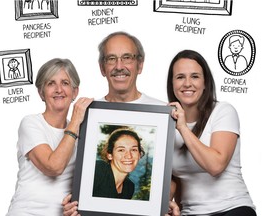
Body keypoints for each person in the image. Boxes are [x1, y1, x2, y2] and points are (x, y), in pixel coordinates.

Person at [62, 31, 180, 216]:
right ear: (102, 68)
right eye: (111, 59)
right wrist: (75, 205)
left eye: (127, 58)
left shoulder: (164, 115)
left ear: (140, 65)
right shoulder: (87, 115)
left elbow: (174, 176)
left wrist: (163, 203)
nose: (119, 66)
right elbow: (77, 177)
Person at [167, 49, 256, 215]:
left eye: (195, 76)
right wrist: (168, 205)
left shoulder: (223, 111)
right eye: (180, 77)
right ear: (172, 84)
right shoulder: (166, 123)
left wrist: (183, 128)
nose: (187, 83)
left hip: (231, 208)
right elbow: (176, 179)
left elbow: (215, 165)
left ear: (205, 82)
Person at [6, 58, 94, 216]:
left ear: (75, 92)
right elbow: (53, 167)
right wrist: (76, 120)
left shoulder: (85, 133)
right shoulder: (31, 123)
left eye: (65, 83)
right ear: (41, 93)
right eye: (51, 83)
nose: (59, 89)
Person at [93, 127, 145, 199]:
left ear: (139, 155)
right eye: (121, 150)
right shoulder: (97, 170)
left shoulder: (129, 187)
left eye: (133, 150)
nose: (129, 156)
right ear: (110, 155)